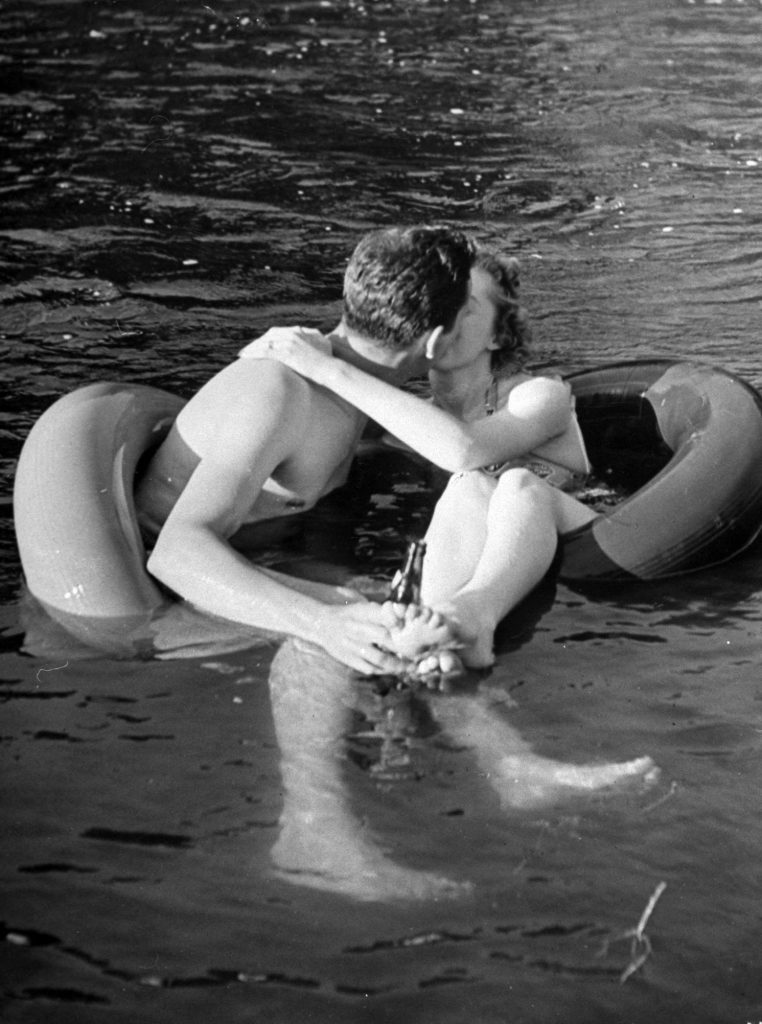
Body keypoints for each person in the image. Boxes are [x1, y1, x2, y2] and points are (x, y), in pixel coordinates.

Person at [134, 226, 478, 675]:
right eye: (467, 316)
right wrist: (323, 624)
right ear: (434, 341)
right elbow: (174, 553)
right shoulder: (279, 392)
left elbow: (456, 443)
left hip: (253, 557)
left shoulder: (353, 386)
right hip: (148, 587)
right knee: (367, 622)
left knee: (403, 616)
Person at [239, 247, 600, 671]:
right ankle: (432, 643)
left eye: (464, 309)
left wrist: (323, 367)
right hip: (476, 565)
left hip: (577, 535)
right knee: (468, 491)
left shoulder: (538, 396)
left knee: (511, 483)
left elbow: (465, 450)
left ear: (498, 336)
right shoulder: (408, 425)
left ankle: (473, 619)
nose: (444, 316)